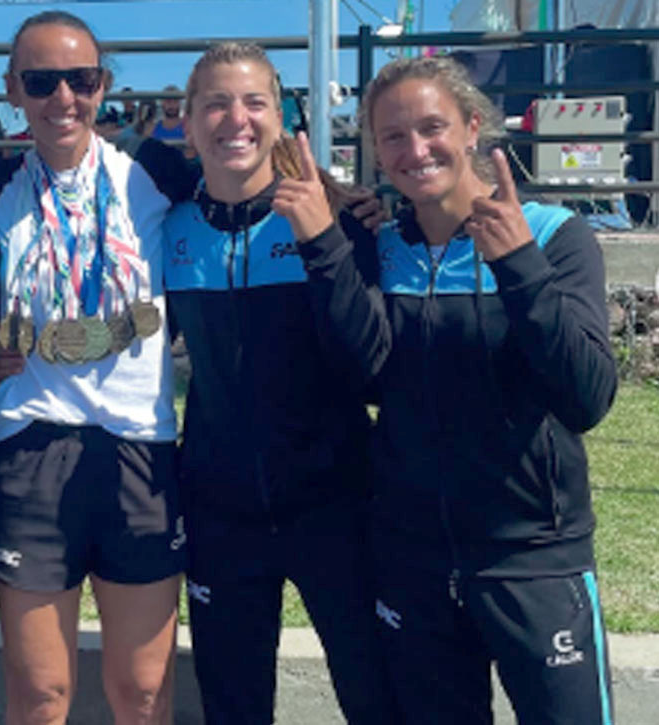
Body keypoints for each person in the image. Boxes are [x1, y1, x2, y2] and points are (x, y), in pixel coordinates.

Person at [301, 55, 617, 724]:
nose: (415, 150)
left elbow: (587, 397)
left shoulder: (553, 236)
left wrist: (520, 267)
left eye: (432, 127)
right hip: (412, 558)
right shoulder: (382, 249)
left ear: (472, 127)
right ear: (376, 151)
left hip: (532, 556)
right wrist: (337, 244)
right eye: (393, 136)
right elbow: (361, 376)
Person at [0, 10, 194, 724]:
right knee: (40, 696)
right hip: (31, 447)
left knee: (144, 693)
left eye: (81, 80)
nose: (62, 98)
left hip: (139, 448)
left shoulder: (158, 175)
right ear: (12, 90)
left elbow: (250, 191)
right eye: (40, 82)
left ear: (103, 85)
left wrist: (350, 205)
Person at [163, 41, 398, 724]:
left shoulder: (340, 220)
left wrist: (325, 241)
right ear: (187, 119)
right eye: (215, 103)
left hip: (337, 503)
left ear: (279, 116)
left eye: (253, 102)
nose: (235, 119)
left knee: (374, 697)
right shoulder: (167, 226)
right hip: (219, 511)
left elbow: (370, 367)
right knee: (233, 705)